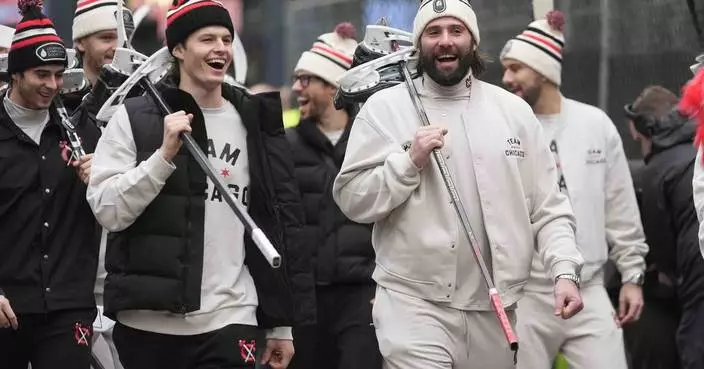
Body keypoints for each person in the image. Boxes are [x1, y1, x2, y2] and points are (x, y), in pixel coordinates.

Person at [332, 1, 584, 368]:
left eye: (456, 31)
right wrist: (408, 162)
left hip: (496, 307)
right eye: (433, 33)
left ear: (473, 41)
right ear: (419, 45)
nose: (445, 41)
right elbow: (352, 199)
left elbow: (549, 208)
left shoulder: (513, 113)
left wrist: (564, 270)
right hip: (413, 304)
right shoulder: (384, 108)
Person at [86, 1, 315, 368]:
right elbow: (107, 210)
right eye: (206, 39)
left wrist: (282, 324)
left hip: (231, 317)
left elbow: (279, 222)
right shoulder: (134, 117)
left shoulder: (255, 120)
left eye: (226, 38)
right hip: (149, 323)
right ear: (177, 49)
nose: (220, 48)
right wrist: (162, 158)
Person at [500, 10, 649, 369]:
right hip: (525, 296)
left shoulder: (594, 124)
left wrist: (632, 275)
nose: (506, 79)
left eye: (516, 68)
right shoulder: (503, 127)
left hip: (590, 287)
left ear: (544, 70)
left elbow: (619, 205)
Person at [0, 1, 102, 368]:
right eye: (41, 74)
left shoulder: (80, 128)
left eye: (59, 74)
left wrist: (102, 179)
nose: (52, 85)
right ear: (15, 74)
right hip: (6, 305)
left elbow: (118, 203)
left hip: (68, 305)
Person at [287, 23, 381, 369]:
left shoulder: (373, 141)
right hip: (303, 300)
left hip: (361, 297)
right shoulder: (284, 145)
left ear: (333, 86)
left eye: (306, 79)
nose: (296, 87)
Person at [625, 85, 704, 368]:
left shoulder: (658, 170)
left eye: (639, 141)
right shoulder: (696, 152)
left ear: (648, 131)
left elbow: (663, 251)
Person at [69, 1, 124, 368]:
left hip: (124, 282)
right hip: (72, 280)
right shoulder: (57, 100)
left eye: (121, 39)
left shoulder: (144, 103)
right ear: (80, 44)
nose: (116, 48)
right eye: (106, 38)